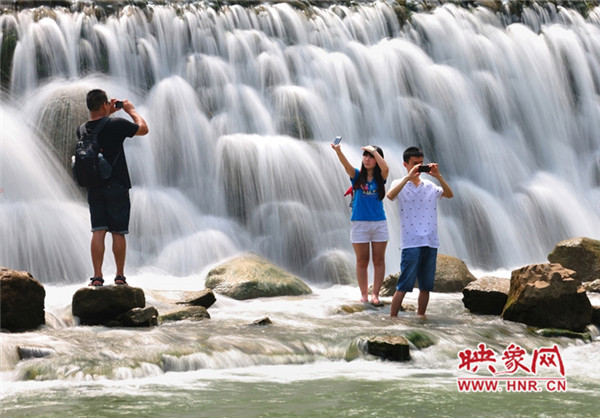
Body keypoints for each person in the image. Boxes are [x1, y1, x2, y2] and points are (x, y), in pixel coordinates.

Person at [79, 89, 149, 286]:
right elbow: (143, 129)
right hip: (116, 184)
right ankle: (119, 276)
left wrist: (106, 113)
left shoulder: (82, 129)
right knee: (118, 232)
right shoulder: (117, 124)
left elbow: (99, 127)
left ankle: (97, 277)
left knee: (98, 231)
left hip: (94, 186)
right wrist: (131, 110)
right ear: (104, 104)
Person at [387, 146, 453, 317]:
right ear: (405, 164)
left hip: (430, 241)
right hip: (411, 242)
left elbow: (449, 194)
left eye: (421, 164)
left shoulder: (430, 185)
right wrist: (408, 178)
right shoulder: (398, 184)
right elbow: (390, 195)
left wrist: (438, 176)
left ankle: (421, 317)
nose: (418, 167)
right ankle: (392, 318)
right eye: (415, 164)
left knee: (426, 286)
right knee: (403, 285)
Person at [332, 141, 389, 304]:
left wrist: (374, 151)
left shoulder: (381, 179)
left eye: (371, 156)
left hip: (379, 223)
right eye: (365, 155)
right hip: (359, 223)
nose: (367, 159)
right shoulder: (357, 176)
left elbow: (385, 169)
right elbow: (346, 165)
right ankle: (364, 294)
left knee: (379, 260)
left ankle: (375, 294)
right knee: (362, 260)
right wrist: (338, 151)